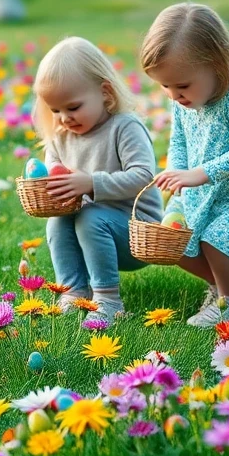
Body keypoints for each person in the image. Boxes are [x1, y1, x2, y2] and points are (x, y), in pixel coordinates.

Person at [140, 2, 229, 327]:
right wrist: (177, 178)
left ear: (216, 64)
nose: (174, 95)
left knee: (215, 237)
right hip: (201, 192)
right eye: (166, 86)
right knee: (174, 244)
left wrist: (198, 174)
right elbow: (179, 143)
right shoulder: (183, 103)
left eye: (182, 85)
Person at [34, 37, 162, 324]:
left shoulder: (124, 127)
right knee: (59, 220)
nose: (64, 118)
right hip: (91, 228)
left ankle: (108, 298)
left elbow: (143, 176)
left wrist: (92, 183)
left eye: (73, 107)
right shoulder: (61, 137)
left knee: (90, 216)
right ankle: (73, 290)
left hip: (137, 233)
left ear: (105, 93)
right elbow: (53, 169)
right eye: (55, 110)